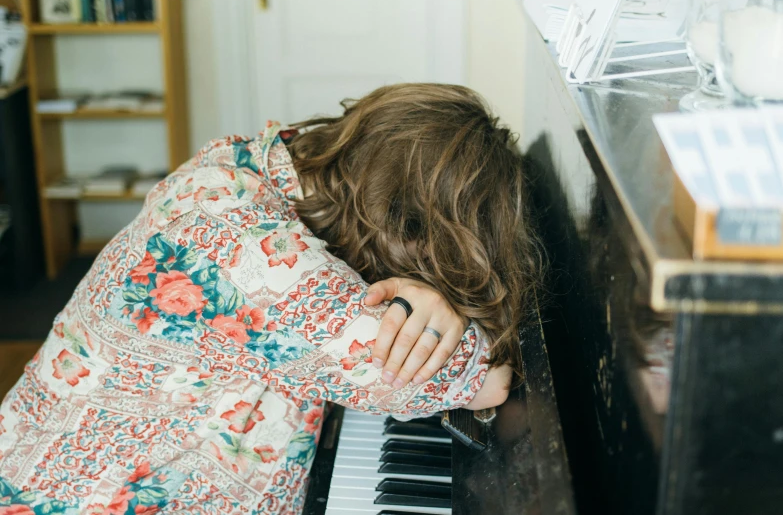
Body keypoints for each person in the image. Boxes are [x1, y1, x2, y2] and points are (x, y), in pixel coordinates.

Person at [0, 83, 542, 514]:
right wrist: (441, 308)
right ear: (411, 224)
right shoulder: (250, 253)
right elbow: (484, 381)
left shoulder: (264, 166)